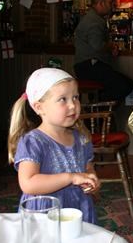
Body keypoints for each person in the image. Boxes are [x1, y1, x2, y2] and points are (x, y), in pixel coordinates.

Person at [7, 68, 100, 223]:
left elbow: (87, 166)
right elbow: (28, 183)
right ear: (39, 107)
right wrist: (70, 178)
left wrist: (90, 178)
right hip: (46, 214)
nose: (73, 105)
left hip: (79, 208)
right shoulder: (33, 142)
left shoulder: (80, 138)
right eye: (63, 99)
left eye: (75, 97)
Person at [73, 0, 133, 101]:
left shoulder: (92, 18)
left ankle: (97, 110)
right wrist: (111, 46)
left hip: (85, 67)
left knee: (115, 86)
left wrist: (109, 47)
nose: (112, 6)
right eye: (110, 3)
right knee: (125, 86)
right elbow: (97, 45)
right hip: (90, 67)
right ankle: (98, 109)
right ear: (101, 4)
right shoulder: (94, 21)